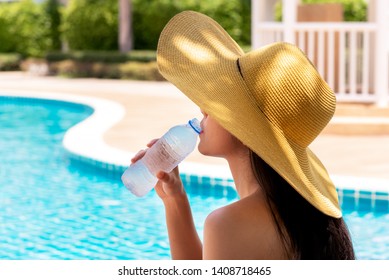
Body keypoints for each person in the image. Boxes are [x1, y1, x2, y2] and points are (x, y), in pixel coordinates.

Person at [131, 11, 355, 260]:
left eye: (220, 103)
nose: (204, 108)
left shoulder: (228, 224)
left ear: (246, 129)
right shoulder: (303, 216)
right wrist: (175, 200)